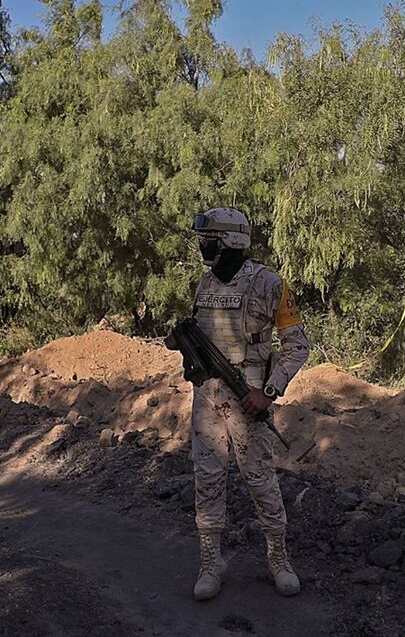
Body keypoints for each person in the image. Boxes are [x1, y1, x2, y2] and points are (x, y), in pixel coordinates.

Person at [165, 207, 309, 601]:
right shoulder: (205, 285)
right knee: (207, 479)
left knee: (260, 480)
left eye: (208, 240)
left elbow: (297, 347)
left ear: (230, 241)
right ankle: (211, 562)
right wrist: (180, 344)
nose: (203, 247)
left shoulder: (270, 284)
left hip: (249, 399)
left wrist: (269, 391)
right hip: (206, 399)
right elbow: (196, 338)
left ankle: (279, 559)